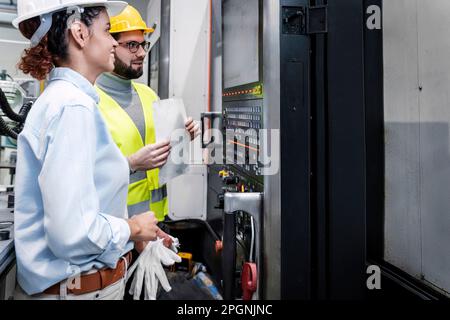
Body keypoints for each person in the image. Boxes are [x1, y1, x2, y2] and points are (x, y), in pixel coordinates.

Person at [12, 0, 166, 300]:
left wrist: (131, 234)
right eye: (108, 31)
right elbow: (73, 233)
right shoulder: (73, 106)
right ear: (80, 34)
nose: (112, 41)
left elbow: (85, 195)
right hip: (77, 291)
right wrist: (132, 227)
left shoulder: (68, 100)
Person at [95, 5, 200, 228]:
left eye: (143, 44)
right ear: (109, 44)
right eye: (132, 45)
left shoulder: (148, 95)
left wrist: (182, 137)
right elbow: (84, 177)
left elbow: (160, 156)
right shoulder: (90, 102)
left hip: (155, 224)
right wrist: (131, 164)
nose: (142, 53)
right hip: (115, 231)